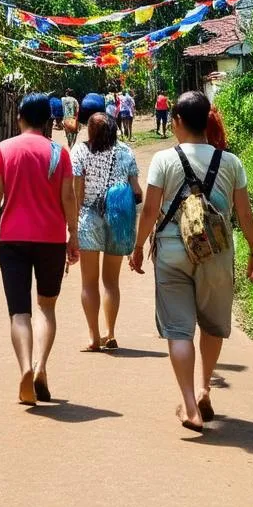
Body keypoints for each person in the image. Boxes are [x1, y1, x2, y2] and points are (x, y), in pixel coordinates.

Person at [129, 91, 253, 433]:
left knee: (178, 330)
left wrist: (138, 246)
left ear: (176, 122)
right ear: (207, 121)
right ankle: (205, 387)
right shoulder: (231, 162)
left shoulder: (163, 160)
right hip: (217, 253)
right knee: (212, 323)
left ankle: (190, 405)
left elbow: (149, 210)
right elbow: (245, 213)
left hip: (173, 253)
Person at [0, 93, 79, 406]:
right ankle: (40, 367)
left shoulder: (5, 148)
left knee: (19, 312)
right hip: (51, 239)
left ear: (20, 118)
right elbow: (68, 198)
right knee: (46, 308)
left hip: (12, 239)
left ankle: (24, 367)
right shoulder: (59, 152)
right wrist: (73, 235)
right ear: (48, 121)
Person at [70, 113, 141, 351]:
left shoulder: (80, 152)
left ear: (90, 131)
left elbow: (76, 193)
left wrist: (71, 225)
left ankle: (93, 336)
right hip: (118, 219)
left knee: (89, 283)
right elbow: (136, 190)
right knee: (111, 281)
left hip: (88, 219)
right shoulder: (126, 152)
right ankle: (110, 333)